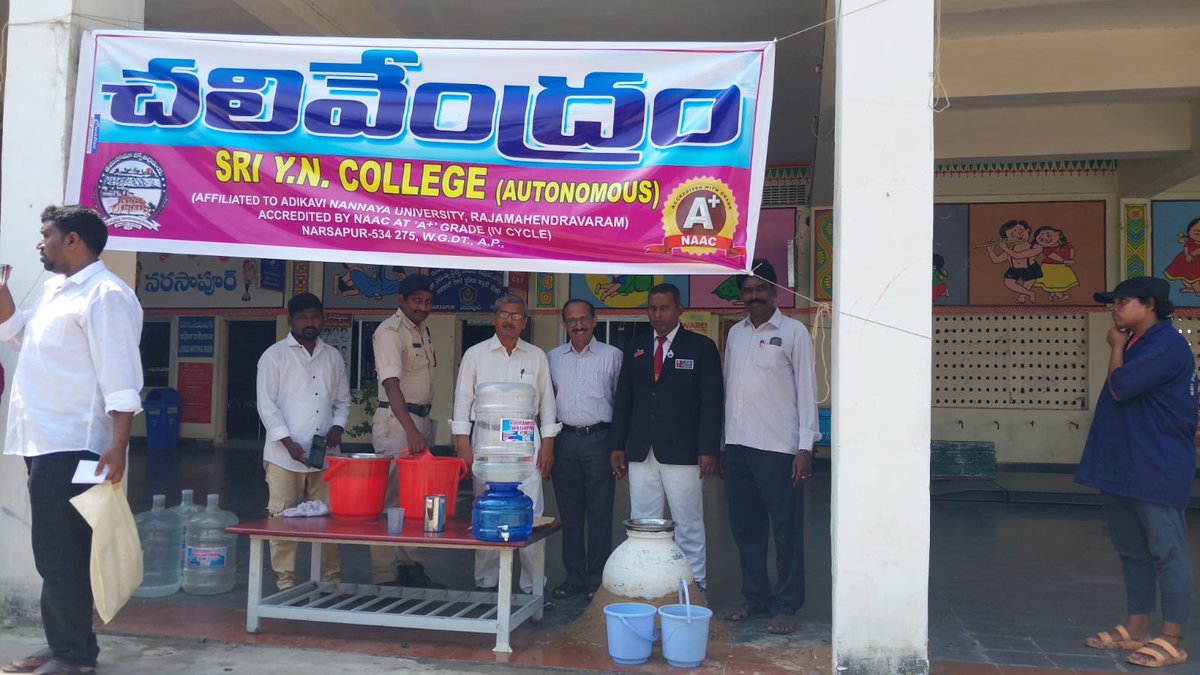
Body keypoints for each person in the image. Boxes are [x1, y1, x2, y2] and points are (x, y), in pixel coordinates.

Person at [0, 205, 144, 675]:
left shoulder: (106, 296)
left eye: (47, 234)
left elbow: (122, 378)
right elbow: (17, 335)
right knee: (58, 554)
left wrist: (118, 444)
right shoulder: (58, 291)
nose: (40, 243)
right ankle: (65, 643)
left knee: (61, 553)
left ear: (74, 240)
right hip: (42, 442)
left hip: (76, 445)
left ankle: (73, 656)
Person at [1078, 276, 1195, 669]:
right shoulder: (1140, 342)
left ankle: (1172, 637)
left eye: (1122, 301)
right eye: (1112, 302)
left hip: (1155, 464)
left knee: (1167, 552)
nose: (1113, 308)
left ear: (1150, 305)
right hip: (1124, 464)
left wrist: (1116, 347)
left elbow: (1122, 387)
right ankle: (1138, 626)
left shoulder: (1166, 344)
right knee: (1132, 551)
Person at [721, 260, 821, 635]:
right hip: (739, 446)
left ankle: (786, 605)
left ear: (776, 292)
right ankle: (755, 599)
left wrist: (805, 447)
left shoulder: (794, 333)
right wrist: (722, 443)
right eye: (747, 290)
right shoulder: (736, 335)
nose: (753, 296)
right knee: (746, 529)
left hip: (779, 449)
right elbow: (730, 389)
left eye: (760, 289)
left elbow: (807, 392)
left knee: (786, 530)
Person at [611, 283, 723, 590]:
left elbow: (712, 403)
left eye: (664, 308)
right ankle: (647, 581)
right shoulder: (636, 348)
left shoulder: (700, 347)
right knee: (642, 521)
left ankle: (694, 582)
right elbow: (624, 400)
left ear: (679, 309)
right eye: (652, 309)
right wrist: (618, 445)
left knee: (687, 522)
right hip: (641, 451)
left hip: (684, 452)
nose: (657, 315)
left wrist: (709, 449)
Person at [450, 294, 559, 593]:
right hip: (487, 441)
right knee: (487, 507)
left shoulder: (536, 356)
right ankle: (486, 580)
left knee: (532, 511)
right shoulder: (476, 354)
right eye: (504, 314)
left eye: (516, 315)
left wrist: (547, 444)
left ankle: (531, 583)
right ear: (494, 318)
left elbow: (547, 403)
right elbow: (462, 402)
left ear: (525, 322)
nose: (510, 320)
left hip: (525, 441)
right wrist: (463, 444)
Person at [256, 292, 350, 590]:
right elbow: (267, 406)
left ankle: (330, 581)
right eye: (303, 318)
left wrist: (338, 427)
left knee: (329, 519)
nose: (310, 323)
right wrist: (288, 444)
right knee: (283, 519)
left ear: (322, 319)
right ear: (291, 321)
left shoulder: (332, 356)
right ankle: (286, 582)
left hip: (325, 455)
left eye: (315, 317)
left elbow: (343, 401)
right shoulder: (274, 356)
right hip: (284, 457)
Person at [368, 274, 443, 588]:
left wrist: (420, 428)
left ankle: (411, 565)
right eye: (416, 301)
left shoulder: (422, 332)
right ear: (401, 300)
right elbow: (391, 384)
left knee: (416, 499)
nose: (422, 307)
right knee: (391, 500)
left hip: (419, 422)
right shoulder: (389, 332)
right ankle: (385, 575)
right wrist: (411, 430)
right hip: (398, 424)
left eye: (427, 302)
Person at [547, 299, 622, 600]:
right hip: (564, 440)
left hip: (600, 439)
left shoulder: (613, 356)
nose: (578, 325)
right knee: (570, 514)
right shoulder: (552, 358)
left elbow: (621, 402)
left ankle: (597, 579)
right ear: (564, 323)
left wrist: (619, 446)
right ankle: (574, 577)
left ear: (594, 319)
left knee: (600, 513)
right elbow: (545, 403)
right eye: (571, 320)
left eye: (583, 319)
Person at [985, 219, 1043, 304]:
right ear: (1007, 240)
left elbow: (1017, 256)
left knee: (1028, 281)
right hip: (1014, 269)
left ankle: (1022, 296)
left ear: (1027, 230)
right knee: (1008, 282)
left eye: (1020, 231)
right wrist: (990, 250)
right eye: (1012, 234)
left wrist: (1005, 248)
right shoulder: (1011, 249)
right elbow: (996, 260)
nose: (1018, 235)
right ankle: (1029, 293)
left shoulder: (1036, 247)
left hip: (1030, 269)